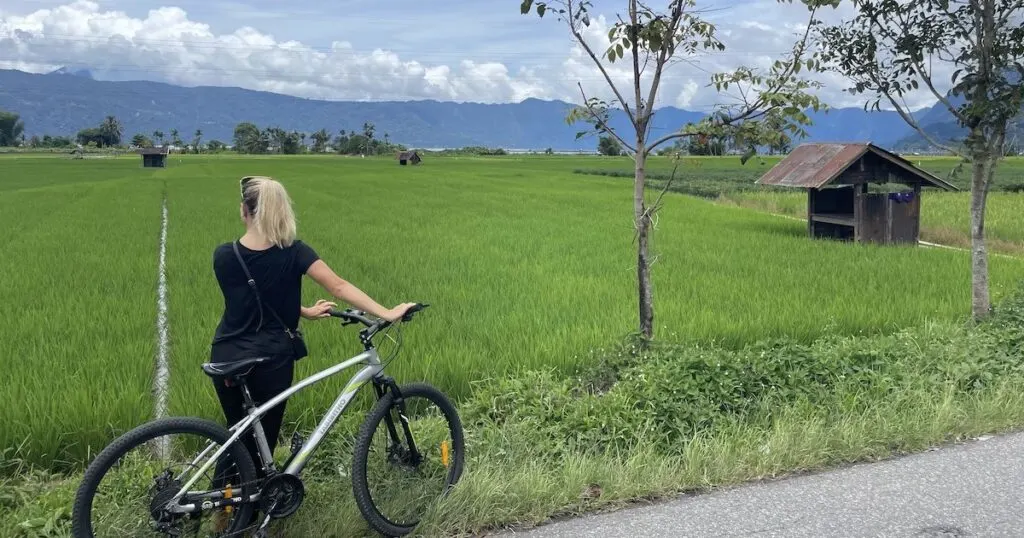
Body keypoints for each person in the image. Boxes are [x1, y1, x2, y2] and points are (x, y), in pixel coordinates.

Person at [209, 175, 414, 528]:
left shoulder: (224, 255)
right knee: (261, 444)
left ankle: (221, 512)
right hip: (269, 358)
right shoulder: (295, 253)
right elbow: (337, 285)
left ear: (245, 211)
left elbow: (249, 302)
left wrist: (302, 310)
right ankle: (246, 520)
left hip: (226, 353)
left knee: (237, 437)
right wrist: (388, 312)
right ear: (281, 212)